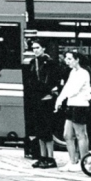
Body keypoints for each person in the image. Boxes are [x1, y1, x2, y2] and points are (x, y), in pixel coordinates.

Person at [53, 48, 91, 171]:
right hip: (71, 105)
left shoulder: (84, 73)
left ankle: (84, 162)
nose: (67, 61)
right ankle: (72, 161)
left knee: (80, 134)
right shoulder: (73, 72)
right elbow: (67, 87)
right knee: (67, 135)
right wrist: (59, 100)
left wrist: (64, 97)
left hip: (81, 106)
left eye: (69, 59)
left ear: (77, 60)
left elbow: (74, 90)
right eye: (66, 58)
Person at [23, 38, 61, 168]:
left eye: (37, 48)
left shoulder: (51, 63)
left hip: (46, 98)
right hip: (36, 98)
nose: (35, 50)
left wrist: (46, 90)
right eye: (33, 48)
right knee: (39, 130)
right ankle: (42, 156)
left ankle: (50, 158)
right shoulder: (33, 62)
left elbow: (51, 81)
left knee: (47, 130)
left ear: (43, 49)